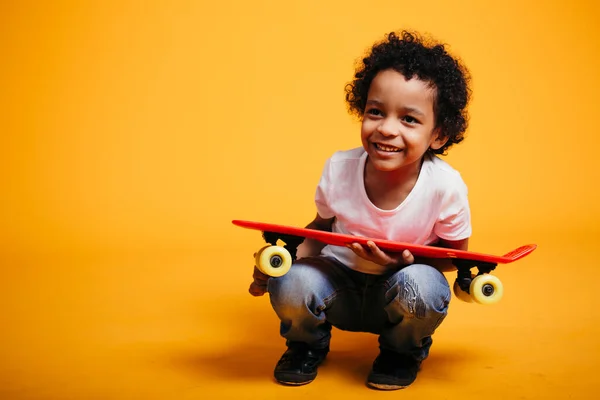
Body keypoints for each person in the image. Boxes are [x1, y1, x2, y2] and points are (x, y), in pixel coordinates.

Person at [249, 30, 473, 390]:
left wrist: (407, 264)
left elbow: (456, 258)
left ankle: (401, 352)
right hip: (340, 286)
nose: (386, 129)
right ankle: (307, 345)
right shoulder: (339, 168)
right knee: (292, 281)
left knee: (425, 286)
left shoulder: (445, 186)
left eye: (409, 120)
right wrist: (279, 260)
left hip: (400, 291)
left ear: (439, 135)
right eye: (375, 112)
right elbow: (319, 230)